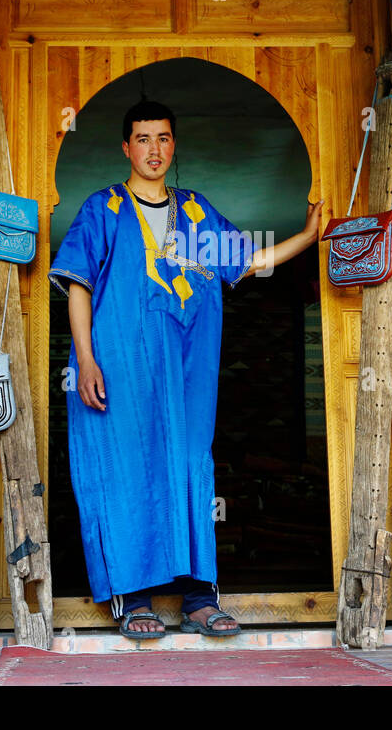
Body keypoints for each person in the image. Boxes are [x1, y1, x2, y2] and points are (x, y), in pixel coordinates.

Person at [48, 99, 324, 638]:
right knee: (128, 468)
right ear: (126, 147)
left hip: (185, 372)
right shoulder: (102, 209)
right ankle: (137, 598)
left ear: (174, 147)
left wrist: (308, 237)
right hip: (120, 368)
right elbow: (77, 285)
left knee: (191, 465)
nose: (155, 149)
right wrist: (85, 359)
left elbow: (249, 262)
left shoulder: (196, 213)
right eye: (144, 139)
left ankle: (199, 597)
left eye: (164, 138)